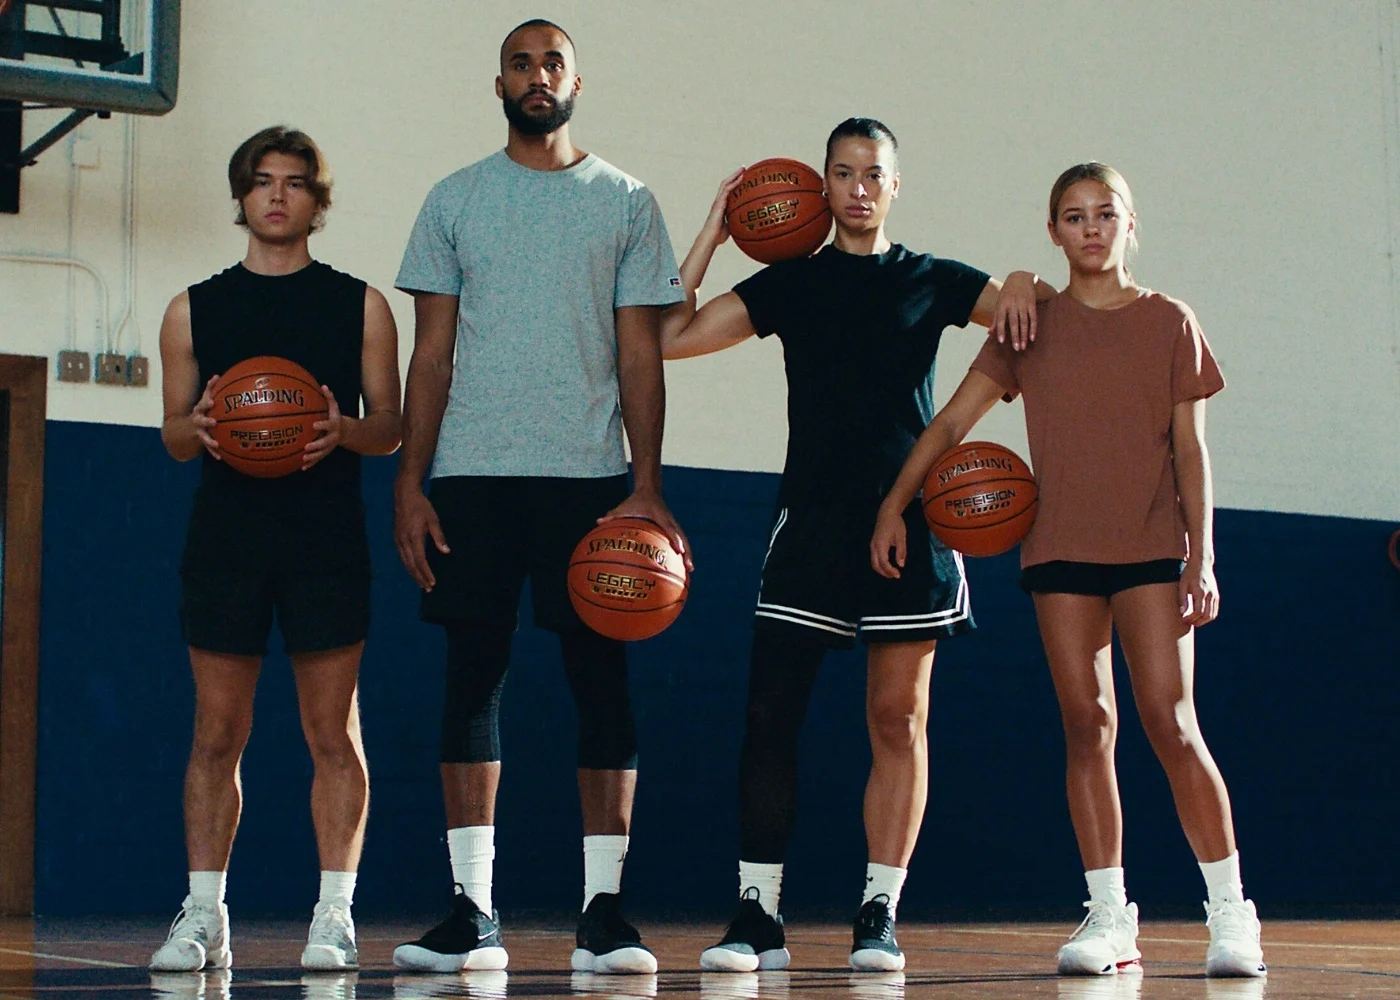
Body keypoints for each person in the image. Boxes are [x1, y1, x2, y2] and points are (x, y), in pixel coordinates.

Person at [660, 117, 1049, 972]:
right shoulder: (789, 284)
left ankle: (879, 911)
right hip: (812, 522)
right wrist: (714, 234)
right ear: (823, 186)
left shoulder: (932, 279)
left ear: (895, 185)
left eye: (875, 173)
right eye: (843, 173)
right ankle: (757, 915)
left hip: (913, 524)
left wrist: (1020, 276)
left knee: (897, 717)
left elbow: (1037, 321)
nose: (860, 187)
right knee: (769, 716)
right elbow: (668, 339)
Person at [871, 162, 1266, 978]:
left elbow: (1191, 450)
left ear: (1131, 224)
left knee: (1171, 721)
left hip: (1154, 547)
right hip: (1059, 550)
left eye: (1105, 213)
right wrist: (893, 505)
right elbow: (952, 421)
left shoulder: (1169, 321)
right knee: (1088, 726)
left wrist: (1206, 556)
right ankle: (1110, 914)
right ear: (1053, 232)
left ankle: (1232, 912)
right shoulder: (1029, 323)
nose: (1091, 227)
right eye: (1074, 216)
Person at [390, 18, 688, 976]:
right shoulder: (455, 199)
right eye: (520, 63)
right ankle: (472, 912)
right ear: (498, 84)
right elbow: (430, 355)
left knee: (601, 687)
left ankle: (604, 913)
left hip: (593, 486)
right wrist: (409, 479)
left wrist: (646, 485)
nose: (536, 75)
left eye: (551, 61)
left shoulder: (627, 201)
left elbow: (642, 356)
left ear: (577, 81)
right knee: (471, 683)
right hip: (471, 478)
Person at [152, 125, 402, 973]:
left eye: (295, 183)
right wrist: (202, 424)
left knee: (332, 733)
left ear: (316, 203)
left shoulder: (361, 304)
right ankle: (202, 914)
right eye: (262, 181)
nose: (276, 195)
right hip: (225, 540)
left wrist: (345, 429)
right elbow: (174, 438)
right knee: (217, 733)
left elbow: (393, 428)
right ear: (241, 196)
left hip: (324, 541)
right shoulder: (192, 307)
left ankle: (334, 914)